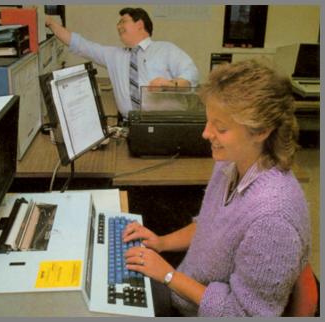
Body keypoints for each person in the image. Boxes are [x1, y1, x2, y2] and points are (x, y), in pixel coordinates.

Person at [122, 59, 311, 317]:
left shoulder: (273, 220)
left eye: (220, 128)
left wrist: (167, 275)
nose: (205, 133)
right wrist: (161, 243)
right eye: (209, 121)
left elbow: (242, 314)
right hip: (183, 287)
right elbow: (209, 225)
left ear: (261, 131)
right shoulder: (230, 163)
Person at [45, 7, 199, 119]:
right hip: (129, 125)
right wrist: (51, 23)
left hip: (166, 124)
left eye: (123, 21)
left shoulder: (166, 49)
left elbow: (191, 74)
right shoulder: (114, 56)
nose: (118, 26)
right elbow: (80, 45)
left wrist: (171, 84)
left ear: (139, 24)